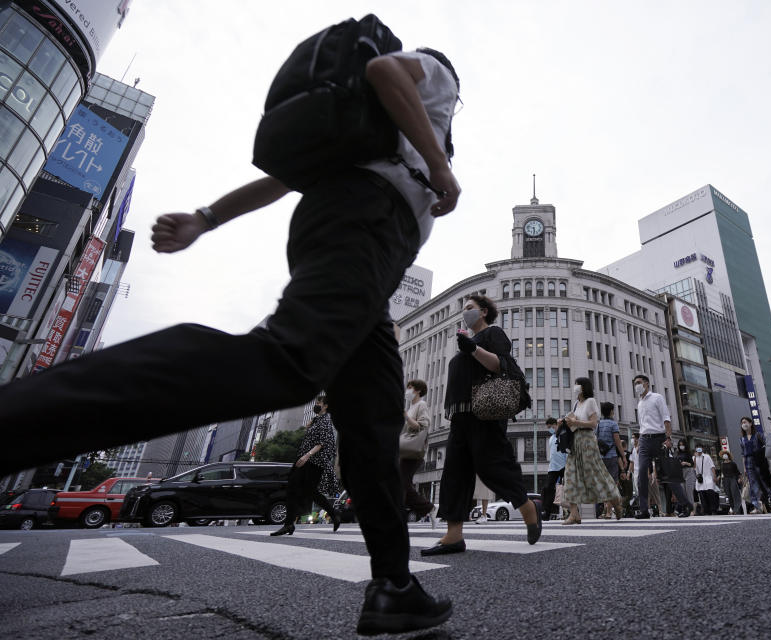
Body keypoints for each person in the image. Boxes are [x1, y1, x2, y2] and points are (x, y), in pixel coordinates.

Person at [0, 46, 462, 635]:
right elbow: (384, 69)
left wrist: (205, 217)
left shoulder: (365, 134)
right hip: (366, 229)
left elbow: (281, 180)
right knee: (286, 363)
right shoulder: (434, 75)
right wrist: (440, 165)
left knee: (373, 420)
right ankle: (13, 419)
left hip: (367, 255)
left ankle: (394, 586)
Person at [425, 295, 541, 555]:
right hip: (460, 417)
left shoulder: (493, 334)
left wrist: (473, 350)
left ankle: (527, 507)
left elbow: (502, 365)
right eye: (463, 309)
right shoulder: (466, 341)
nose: (465, 312)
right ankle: (453, 535)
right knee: (454, 473)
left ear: (484, 311)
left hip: (484, 415)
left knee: (493, 467)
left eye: (470, 308)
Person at [273, 395, 341, 535]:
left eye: (318, 403)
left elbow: (322, 442)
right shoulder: (316, 420)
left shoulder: (326, 420)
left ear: (326, 406)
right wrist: (308, 428)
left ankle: (334, 514)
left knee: (309, 491)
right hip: (305, 459)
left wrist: (307, 455)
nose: (316, 404)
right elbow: (311, 440)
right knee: (295, 487)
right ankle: (289, 524)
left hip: (314, 461)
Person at [560, 377, 623, 524]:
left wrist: (575, 422)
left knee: (595, 474)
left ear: (584, 387)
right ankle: (574, 513)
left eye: (577, 384)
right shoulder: (576, 404)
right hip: (575, 441)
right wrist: (565, 422)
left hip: (587, 441)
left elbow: (594, 423)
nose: (575, 387)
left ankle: (615, 501)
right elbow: (574, 422)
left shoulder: (591, 401)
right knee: (570, 475)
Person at [632, 374, 692, 519]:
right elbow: (642, 425)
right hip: (645, 440)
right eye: (635, 383)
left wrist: (668, 437)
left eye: (639, 382)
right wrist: (639, 443)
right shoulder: (639, 403)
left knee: (667, 474)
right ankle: (644, 509)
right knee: (641, 475)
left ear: (646, 383)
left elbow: (666, 417)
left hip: (659, 438)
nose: (637, 386)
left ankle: (686, 505)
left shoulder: (657, 397)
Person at [399, 379, 435, 525]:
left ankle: (429, 509)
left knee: (403, 484)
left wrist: (405, 416)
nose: (407, 390)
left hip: (414, 451)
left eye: (410, 387)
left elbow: (423, 425)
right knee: (402, 485)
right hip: (405, 451)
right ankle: (428, 510)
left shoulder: (421, 404)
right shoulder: (411, 407)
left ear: (418, 390)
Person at [738, 417, 771, 514]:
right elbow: (743, 454)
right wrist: (744, 467)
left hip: (759, 460)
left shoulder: (758, 435)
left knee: (767, 484)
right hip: (748, 462)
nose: (743, 424)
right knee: (753, 486)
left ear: (750, 423)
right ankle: (757, 507)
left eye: (745, 422)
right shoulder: (742, 439)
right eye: (742, 423)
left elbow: (767, 444)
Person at [596, 401, 627, 518]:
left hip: (601, 458)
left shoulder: (599, 424)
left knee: (605, 484)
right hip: (612, 456)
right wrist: (623, 456)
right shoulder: (613, 424)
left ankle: (608, 510)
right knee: (613, 484)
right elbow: (618, 442)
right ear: (611, 411)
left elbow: (596, 440)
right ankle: (612, 509)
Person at [541, 418, 566, 520]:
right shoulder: (551, 438)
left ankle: (573, 510)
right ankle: (546, 512)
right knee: (548, 488)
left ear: (556, 425)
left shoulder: (563, 434)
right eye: (548, 428)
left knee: (568, 488)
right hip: (553, 468)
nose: (550, 429)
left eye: (552, 427)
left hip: (564, 466)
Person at [693, 447, 719, 515]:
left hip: (708, 478)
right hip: (701, 479)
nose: (698, 452)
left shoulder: (707, 457)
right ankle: (706, 510)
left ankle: (713, 510)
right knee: (702, 495)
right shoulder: (695, 458)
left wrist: (714, 476)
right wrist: (695, 458)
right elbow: (694, 468)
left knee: (710, 494)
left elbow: (712, 466)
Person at [718, 450, 743, 515]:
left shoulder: (733, 463)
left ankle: (736, 509)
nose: (724, 455)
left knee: (735, 493)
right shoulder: (722, 464)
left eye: (726, 454)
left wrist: (740, 478)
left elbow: (737, 472)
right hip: (725, 480)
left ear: (728, 455)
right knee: (729, 495)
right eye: (723, 454)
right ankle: (733, 508)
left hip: (732, 479)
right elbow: (722, 473)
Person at [677, 440, 697, 508]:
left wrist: (685, 463)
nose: (681, 446)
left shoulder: (688, 453)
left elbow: (692, 464)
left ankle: (691, 508)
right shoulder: (678, 453)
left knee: (689, 491)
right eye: (680, 445)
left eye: (682, 444)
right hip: (681, 472)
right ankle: (685, 508)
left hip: (688, 471)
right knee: (683, 491)